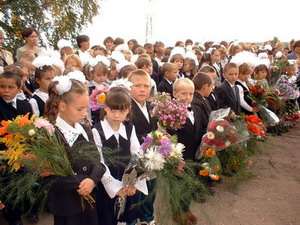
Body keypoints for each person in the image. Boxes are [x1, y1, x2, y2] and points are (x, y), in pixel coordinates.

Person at [43, 72, 106, 225]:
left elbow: (98, 162)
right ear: (62, 106)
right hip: (67, 207)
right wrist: (81, 181)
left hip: (90, 203)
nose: (85, 113)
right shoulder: (50, 133)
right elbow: (49, 177)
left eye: (86, 108)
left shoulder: (84, 129)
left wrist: (92, 180)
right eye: (80, 109)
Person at [92, 86, 148, 225]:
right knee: (107, 219)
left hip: (128, 186)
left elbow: (137, 155)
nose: (117, 115)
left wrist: (134, 183)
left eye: (122, 111)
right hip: (107, 188)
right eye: (113, 110)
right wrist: (116, 188)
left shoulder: (130, 128)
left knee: (128, 218)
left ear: (128, 109)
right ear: (105, 108)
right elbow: (99, 161)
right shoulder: (97, 131)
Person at [0, 71, 33, 225]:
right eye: (2, 87)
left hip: (23, 152)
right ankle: (13, 217)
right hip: (5, 154)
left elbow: (31, 128)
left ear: (19, 88)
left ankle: (29, 209)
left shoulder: (25, 105)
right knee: (9, 186)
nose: (6, 90)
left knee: (24, 182)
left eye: (10, 87)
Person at [128, 69, 158, 225]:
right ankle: (132, 220)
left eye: (146, 86)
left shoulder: (152, 105)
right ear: (129, 87)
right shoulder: (127, 107)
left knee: (151, 189)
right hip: (135, 158)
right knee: (135, 193)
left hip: (152, 157)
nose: (142, 89)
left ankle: (148, 218)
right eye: (137, 85)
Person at [172, 78, 201, 225]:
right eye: (184, 94)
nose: (188, 97)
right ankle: (177, 212)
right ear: (174, 93)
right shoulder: (170, 113)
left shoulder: (196, 109)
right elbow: (170, 138)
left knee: (189, 185)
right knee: (178, 186)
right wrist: (175, 160)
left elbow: (199, 129)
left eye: (191, 93)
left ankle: (185, 208)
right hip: (180, 157)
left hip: (195, 155)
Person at [192, 72, 214, 138]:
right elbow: (199, 126)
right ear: (206, 87)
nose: (211, 90)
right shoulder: (196, 102)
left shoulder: (204, 99)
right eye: (211, 87)